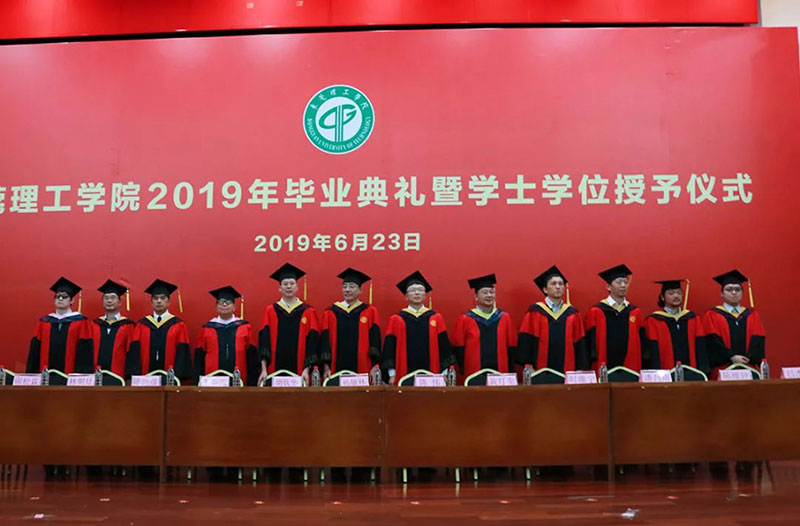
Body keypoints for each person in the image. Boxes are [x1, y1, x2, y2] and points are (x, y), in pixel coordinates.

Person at [382, 271, 455, 384]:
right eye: (412, 290)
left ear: (425, 295)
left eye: (420, 290)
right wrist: (392, 374)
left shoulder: (436, 318)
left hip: (432, 374)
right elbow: (389, 349)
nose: (417, 293)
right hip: (403, 375)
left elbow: (444, 347)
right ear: (406, 297)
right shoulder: (396, 319)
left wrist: (444, 373)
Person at [257, 263, 320, 386]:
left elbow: (312, 343)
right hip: (273, 370)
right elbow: (264, 342)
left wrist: (307, 370)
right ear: (279, 288)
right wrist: (264, 370)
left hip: (300, 371)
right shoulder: (270, 311)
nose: (289, 287)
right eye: (285, 284)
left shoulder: (308, 312)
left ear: (297, 287)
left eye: (292, 283)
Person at [517, 265, 588, 373]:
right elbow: (526, 339)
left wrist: (580, 368)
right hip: (539, 370)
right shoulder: (535, 311)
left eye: (561, 284)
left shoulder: (573, 313)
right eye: (553, 284)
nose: (558, 287)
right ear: (545, 289)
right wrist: (528, 365)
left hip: (568, 370)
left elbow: (580, 343)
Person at [451, 273, 517, 382]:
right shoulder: (465, 319)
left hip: (500, 372)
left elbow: (511, 346)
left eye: (492, 292)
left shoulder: (504, 317)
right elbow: (459, 348)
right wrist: (463, 368)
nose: (489, 295)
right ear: (476, 297)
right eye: (484, 292)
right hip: (474, 373)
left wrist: (510, 369)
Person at [319, 268, 381, 378]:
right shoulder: (331, 312)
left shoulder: (370, 312)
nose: (347, 290)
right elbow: (325, 341)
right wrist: (326, 367)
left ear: (360, 290)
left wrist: (374, 366)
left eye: (352, 287)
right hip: (335, 367)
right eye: (344, 287)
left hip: (363, 366)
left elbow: (375, 340)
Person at [125, 279, 192, 379]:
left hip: (170, 378)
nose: (159, 301)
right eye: (155, 298)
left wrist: (178, 376)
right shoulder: (142, 325)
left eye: (163, 298)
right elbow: (135, 353)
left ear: (168, 301)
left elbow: (182, 353)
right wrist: (135, 375)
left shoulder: (179, 325)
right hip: (146, 377)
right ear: (151, 302)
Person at [584, 264, 644, 373]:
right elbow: (589, 344)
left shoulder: (635, 312)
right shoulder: (596, 311)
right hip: (603, 367)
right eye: (619, 282)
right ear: (608, 286)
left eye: (625, 282)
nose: (623, 285)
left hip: (630, 368)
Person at [26, 276, 93, 375]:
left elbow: (84, 351)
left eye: (64, 296)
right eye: (57, 296)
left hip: (70, 375)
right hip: (46, 375)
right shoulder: (44, 322)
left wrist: (81, 374)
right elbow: (35, 351)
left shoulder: (81, 322)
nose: (60, 299)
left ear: (72, 300)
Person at [195, 286, 259, 385]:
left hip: (239, 379)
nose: (224, 305)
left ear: (234, 307)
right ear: (216, 307)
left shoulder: (244, 327)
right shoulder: (207, 328)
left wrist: (252, 380)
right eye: (221, 302)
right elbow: (199, 358)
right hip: (212, 379)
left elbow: (251, 356)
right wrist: (198, 379)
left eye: (228, 302)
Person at [702, 269, 765, 370]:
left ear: (742, 293)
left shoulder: (752, 315)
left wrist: (748, 357)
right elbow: (712, 342)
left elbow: (758, 341)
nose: (734, 292)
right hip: (723, 369)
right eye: (729, 289)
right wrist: (730, 356)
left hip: (748, 367)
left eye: (738, 289)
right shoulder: (712, 315)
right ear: (721, 294)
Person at [643, 280, 708, 373]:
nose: (676, 296)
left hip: (691, 373)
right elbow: (652, 352)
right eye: (671, 293)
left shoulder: (693, 319)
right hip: (665, 374)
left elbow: (700, 348)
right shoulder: (653, 320)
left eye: (679, 292)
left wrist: (703, 371)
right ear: (662, 297)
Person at [90, 279, 135, 379]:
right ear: (102, 302)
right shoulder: (94, 325)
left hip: (119, 377)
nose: (109, 301)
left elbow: (131, 353)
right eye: (106, 298)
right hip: (95, 376)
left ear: (119, 302)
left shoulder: (128, 325)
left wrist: (129, 376)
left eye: (113, 298)